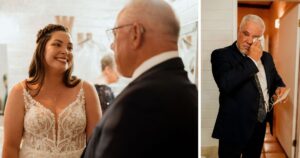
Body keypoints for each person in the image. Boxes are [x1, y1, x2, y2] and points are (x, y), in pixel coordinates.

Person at [82, 0, 198, 158]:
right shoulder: (186, 89)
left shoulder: (141, 102)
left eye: (115, 34)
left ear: (135, 34)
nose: (112, 45)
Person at [2, 24, 102, 158]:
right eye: (57, 44)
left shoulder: (87, 90)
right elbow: (10, 147)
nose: (65, 51)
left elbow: (96, 146)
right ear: (42, 49)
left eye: (70, 47)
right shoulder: (19, 92)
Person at [211, 14, 287, 158]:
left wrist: (280, 87)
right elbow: (225, 84)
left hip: (259, 125)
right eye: (246, 34)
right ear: (239, 30)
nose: (250, 41)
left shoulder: (267, 57)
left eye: (256, 37)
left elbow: (276, 79)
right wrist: (252, 60)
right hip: (233, 126)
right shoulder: (221, 55)